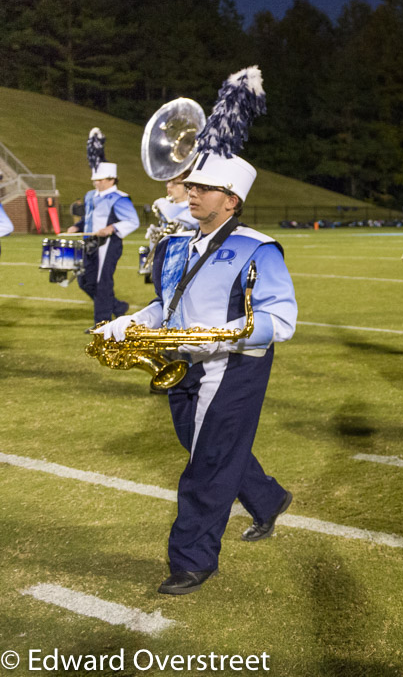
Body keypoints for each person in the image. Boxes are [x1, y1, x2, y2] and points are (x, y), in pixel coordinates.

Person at [97, 68, 296, 595]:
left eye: (203, 187)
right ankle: (268, 498)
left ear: (230, 200)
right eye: (193, 185)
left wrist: (221, 336)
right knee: (204, 444)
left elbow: (282, 320)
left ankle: (192, 559)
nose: (191, 192)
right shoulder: (178, 245)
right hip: (183, 362)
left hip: (234, 367)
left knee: (206, 464)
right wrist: (131, 322)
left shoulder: (258, 248)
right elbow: (169, 304)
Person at [66, 128, 139, 323]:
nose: (95, 183)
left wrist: (112, 228)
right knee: (84, 281)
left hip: (109, 245)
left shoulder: (120, 198)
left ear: (111, 179)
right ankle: (118, 307)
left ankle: (102, 324)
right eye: (94, 179)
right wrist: (78, 226)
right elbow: (89, 218)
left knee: (102, 283)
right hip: (89, 243)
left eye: (99, 180)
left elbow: (133, 221)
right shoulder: (90, 196)